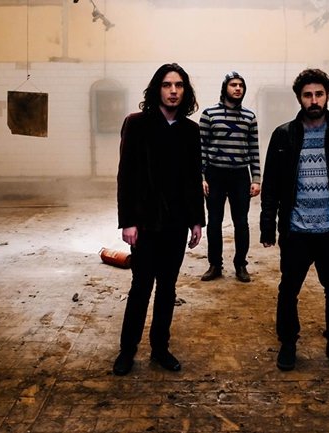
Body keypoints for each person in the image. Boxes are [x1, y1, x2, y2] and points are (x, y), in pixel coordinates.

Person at [259, 68, 329, 371]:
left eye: (319, 94)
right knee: (289, 288)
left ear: (328, 96)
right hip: (296, 230)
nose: (314, 100)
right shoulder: (283, 135)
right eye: (308, 95)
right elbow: (271, 186)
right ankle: (288, 343)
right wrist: (268, 225)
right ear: (299, 98)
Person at [113, 63, 205, 376]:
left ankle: (160, 348)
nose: (173, 91)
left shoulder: (190, 130)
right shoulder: (136, 124)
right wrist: (128, 221)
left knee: (167, 289)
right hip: (145, 222)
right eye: (167, 85)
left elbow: (193, 178)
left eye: (179, 85)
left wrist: (197, 220)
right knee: (141, 287)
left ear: (185, 91)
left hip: (176, 224)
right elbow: (126, 175)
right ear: (157, 89)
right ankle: (127, 351)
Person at [199, 71, 261, 283]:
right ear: (225, 88)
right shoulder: (209, 114)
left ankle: (241, 265)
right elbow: (202, 148)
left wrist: (256, 178)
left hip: (240, 175)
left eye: (241, 85)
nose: (238, 88)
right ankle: (215, 265)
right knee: (214, 222)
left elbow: (253, 149)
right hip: (215, 174)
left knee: (241, 222)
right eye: (233, 85)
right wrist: (202, 176)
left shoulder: (249, 117)